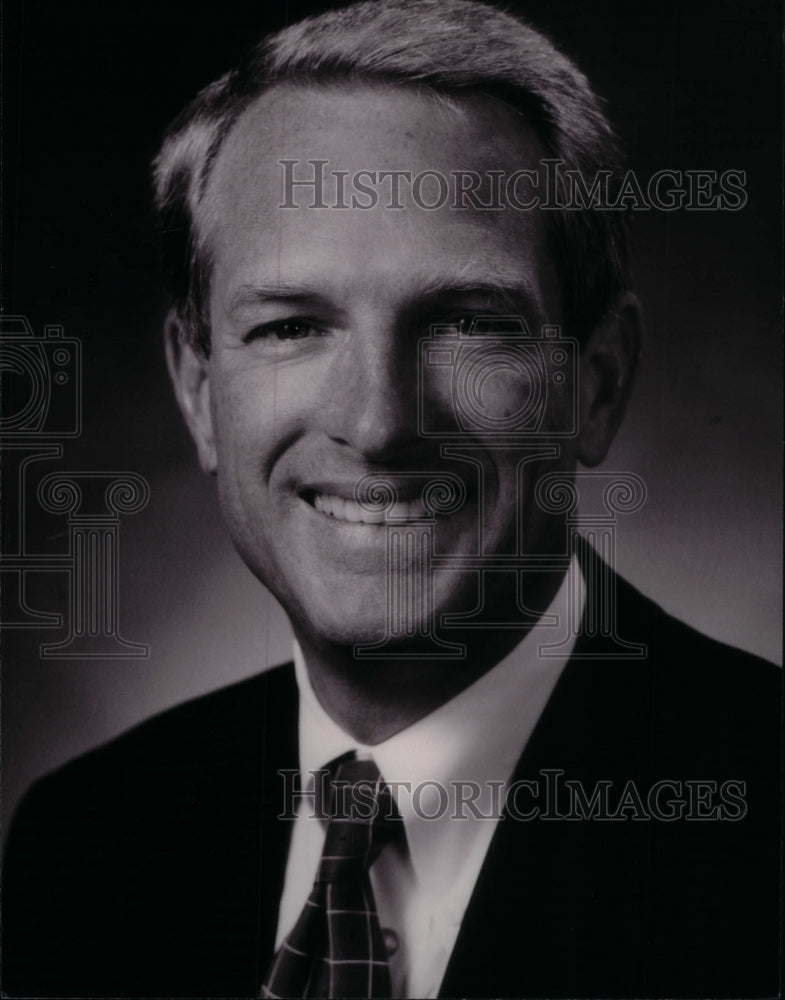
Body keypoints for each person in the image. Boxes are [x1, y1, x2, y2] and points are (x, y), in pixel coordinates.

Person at [3, 1, 779, 997]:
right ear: (198, 388)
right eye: (289, 327)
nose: (376, 425)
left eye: (464, 320)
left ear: (596, 380)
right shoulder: (85, 842)